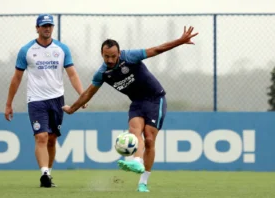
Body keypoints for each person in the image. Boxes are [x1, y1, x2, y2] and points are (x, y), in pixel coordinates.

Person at [62, 26, 198, 192]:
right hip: (137, 103)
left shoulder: (130, 57)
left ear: (119, 53)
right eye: (106, 56)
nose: (110, 60)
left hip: (156, 99)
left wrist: (180, 41)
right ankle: (137, 161)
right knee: (134, 132)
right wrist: (72, 109)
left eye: (113, 56)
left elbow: (156, 50)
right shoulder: (103, 73)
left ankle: (143, 183)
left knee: (149, 138)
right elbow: (88, 93)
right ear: (102, 54)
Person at [4, 14, 87, 188]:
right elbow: (16, 78)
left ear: (52, 28)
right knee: (41, 136)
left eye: (49, 25)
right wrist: (8, 104)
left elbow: (72, 74)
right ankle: (44, 173)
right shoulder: (26, 50)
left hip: (57, 99)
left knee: (51, 139)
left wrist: (82, 96)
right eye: (43, 26)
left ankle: (48, 174)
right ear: (37, 28)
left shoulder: (62, 49)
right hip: (36, 100)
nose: (47, 28)